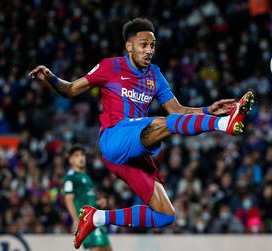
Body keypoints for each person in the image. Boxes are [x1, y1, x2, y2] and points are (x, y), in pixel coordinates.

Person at [29, 18, 254, 249]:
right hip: (114, 138)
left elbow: (177, 111)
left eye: (153, 46)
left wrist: (207, 110)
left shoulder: (154, 75)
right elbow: (69, 90)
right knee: (164, 122)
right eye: (143, 44)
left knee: (166, 215)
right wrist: (50, 77)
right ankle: (224, 124)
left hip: (135, 152)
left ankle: (96, 218)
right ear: (129, 46)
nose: (149, 51)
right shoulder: (110, 66)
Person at [63, 145, 112, 251]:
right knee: (96, 248)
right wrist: (75, 220)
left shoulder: (86, 177)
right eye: (76, 156)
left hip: (95, 219)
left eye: (82, 155)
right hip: (86, 221)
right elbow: (68, 199)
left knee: (107, 249)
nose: (81, 158)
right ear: (71, 160)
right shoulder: (70, 177)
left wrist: (98, 202)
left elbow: (86, 199)